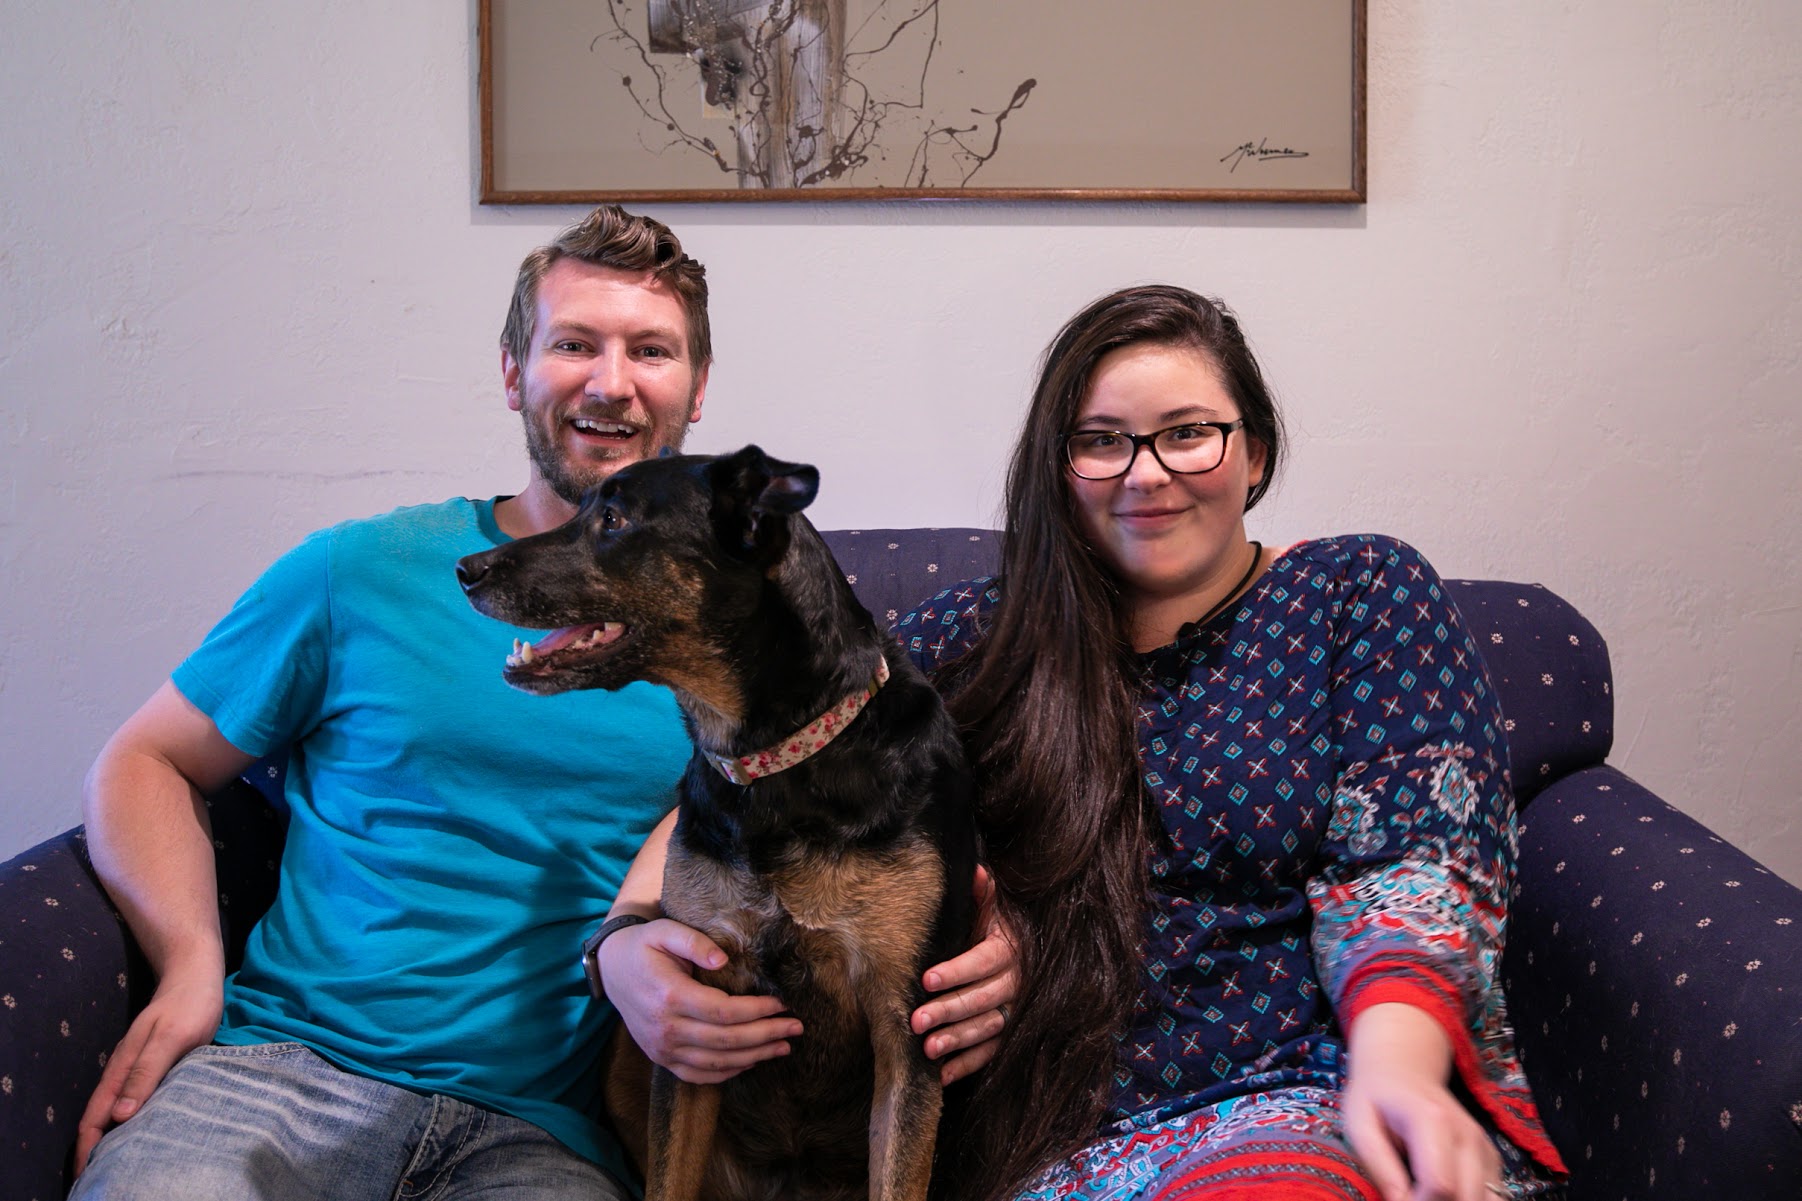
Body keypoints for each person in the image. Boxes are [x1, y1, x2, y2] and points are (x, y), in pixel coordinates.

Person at [70, 204, 1015, 1200]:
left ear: (694, 394)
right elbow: (143, 761)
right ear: (515, 371)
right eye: (573, 343)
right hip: (289, 1074)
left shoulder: (738, 658)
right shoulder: (358, 571)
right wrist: (187, 966)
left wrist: (993, 942)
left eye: (650, 350)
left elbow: (828, 843)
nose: (610, 381)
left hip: (544, 1134)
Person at [898, 285, 1569, 1201]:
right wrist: (635, 946)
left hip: (1290, 1102)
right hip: (1029, 1141)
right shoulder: (963, 643)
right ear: (1057, 469)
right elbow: (761, 785)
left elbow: (1413, 862)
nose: (1145, 473)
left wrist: (1398, 1065)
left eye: (1186, 432)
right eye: (1102, 441)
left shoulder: (1354, 594)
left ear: (1253, 451)